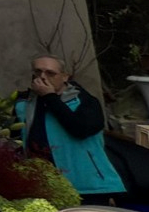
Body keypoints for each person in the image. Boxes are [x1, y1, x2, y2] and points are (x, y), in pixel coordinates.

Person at [15, 56, 127, 204]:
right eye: (38, 72)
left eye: (50, 73)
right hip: (42, 184)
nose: (42, 77)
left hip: (87, 185)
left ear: (64, 77)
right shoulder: (24, 104)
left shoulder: (85, 102)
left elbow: (81, 130)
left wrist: (50, 97)